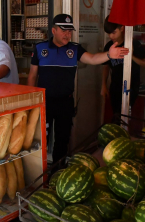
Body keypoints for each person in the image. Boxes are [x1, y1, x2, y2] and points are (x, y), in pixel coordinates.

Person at [27, 14, 129, 172]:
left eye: (70, 31)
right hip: (44, 103)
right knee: (41, 140)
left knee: (62, 140)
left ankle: (58, 171)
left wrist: (109, 55)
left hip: (65, 104)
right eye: (63, 30)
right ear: (54, 30)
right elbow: (32, 76)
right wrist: (31, 102)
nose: (67, 34)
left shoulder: (74, 49)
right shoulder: (40, 48)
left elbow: (93, 58)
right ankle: (39, 173)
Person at [101, 15, 145, 116]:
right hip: (115, 86)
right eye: (108, 33)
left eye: (113, 32)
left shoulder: (133, 44)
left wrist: (132, 56)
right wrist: (103, 85)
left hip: (131, 87)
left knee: (125, 116)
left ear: (122, 28)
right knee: (116, 115)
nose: (111, 36)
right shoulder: (109, 46)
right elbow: (106, 66)